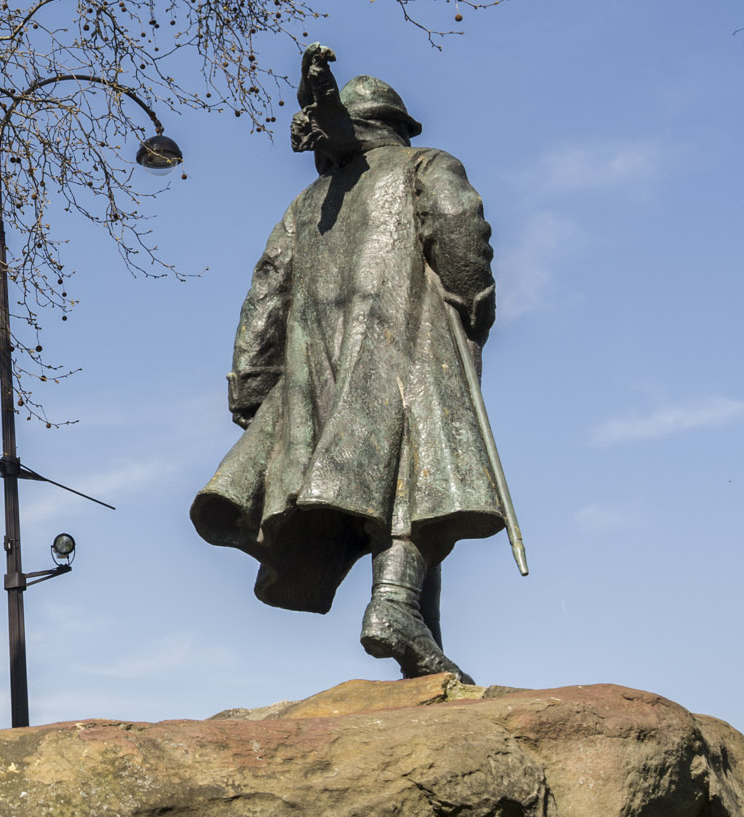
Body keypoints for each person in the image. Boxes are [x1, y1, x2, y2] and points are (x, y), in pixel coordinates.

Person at [190, 45, 504, 684]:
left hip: (319, 378)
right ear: (395, 126)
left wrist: (253, 383)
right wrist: (471, 304)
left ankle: (419, 635)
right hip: (409, 353)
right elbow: (460, 224)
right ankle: (394, 605)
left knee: (403, 485)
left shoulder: (306, 206)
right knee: (420, 481)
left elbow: (267, 290)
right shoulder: (427, 166)